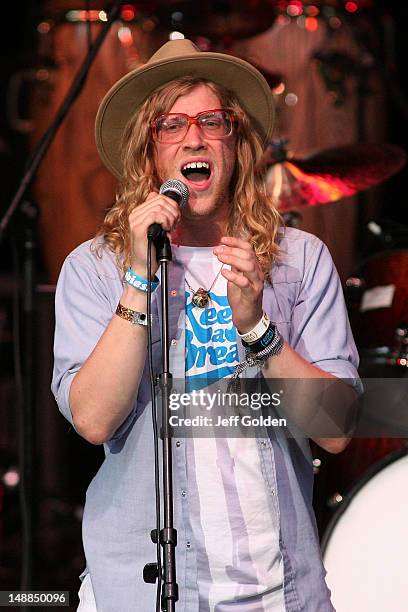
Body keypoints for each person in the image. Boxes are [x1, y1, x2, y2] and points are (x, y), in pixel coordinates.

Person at [52, 39, 360, 611]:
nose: (193, 138)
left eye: (211, 122)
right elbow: (93, 420)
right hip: (142, 593)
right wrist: (141, 280)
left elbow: (337, 429)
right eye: (171, 124)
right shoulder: (94, 269)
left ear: (236, 144)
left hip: (276, 593)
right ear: (149, 151)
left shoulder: (298, 261)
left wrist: (258, 328)